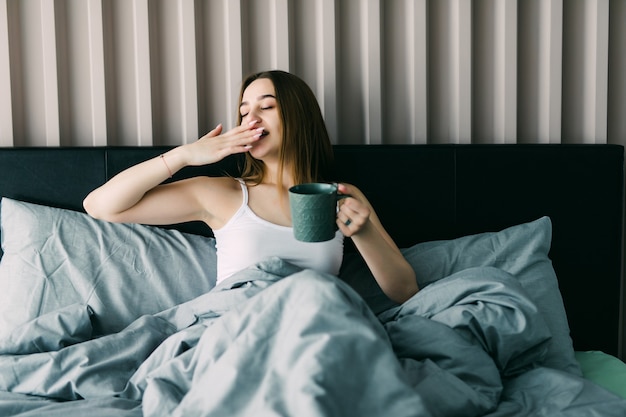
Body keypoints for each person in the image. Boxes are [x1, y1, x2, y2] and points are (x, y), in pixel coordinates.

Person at [83, 70, 418, 303]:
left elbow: (405, 290)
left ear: (299, 117)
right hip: (237, 328)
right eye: (244, 113)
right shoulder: (223, 194)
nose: (250, 120)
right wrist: (185, 155)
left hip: (311, 327)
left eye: (266, 107)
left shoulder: (342, 197)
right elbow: (100, 206)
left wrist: (362, 231)